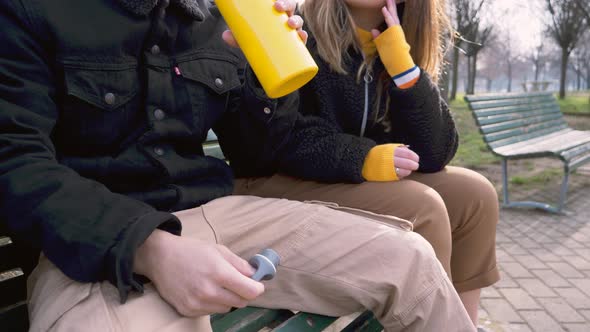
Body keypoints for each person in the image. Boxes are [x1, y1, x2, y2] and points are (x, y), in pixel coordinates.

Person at [0, 0, 475, 331]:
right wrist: (147, 247)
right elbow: (15, 161)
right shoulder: (32, 10)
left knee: (409, 259)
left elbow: (264, 149)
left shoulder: (213, 15)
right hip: (92, 245)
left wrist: (260, 75)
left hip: (216, 216)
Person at [232, 0, 500, 327]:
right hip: (276, 179)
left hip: (341, 181)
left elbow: (435, 154)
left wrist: (406, 73)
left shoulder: (395, 38)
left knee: (473, 195)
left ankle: (464, 323)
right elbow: (282, 135)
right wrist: (362, 157)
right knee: (421, 205)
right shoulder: (296, 25)